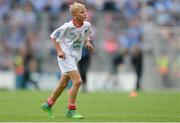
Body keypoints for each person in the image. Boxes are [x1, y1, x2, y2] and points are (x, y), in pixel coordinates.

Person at [41, 2, 93, 119]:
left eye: (85, 11)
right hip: (65, 56)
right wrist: (59, 50)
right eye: (82, 12)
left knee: (63, 84)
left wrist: (88, 41)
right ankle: (71, 109)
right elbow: (54, 36)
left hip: (74, 56)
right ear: (74, 15)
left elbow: (88, 32)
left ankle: (48, 104)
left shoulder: (87, 25)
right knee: (78, 81)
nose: (85, 14)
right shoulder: (67, 26)